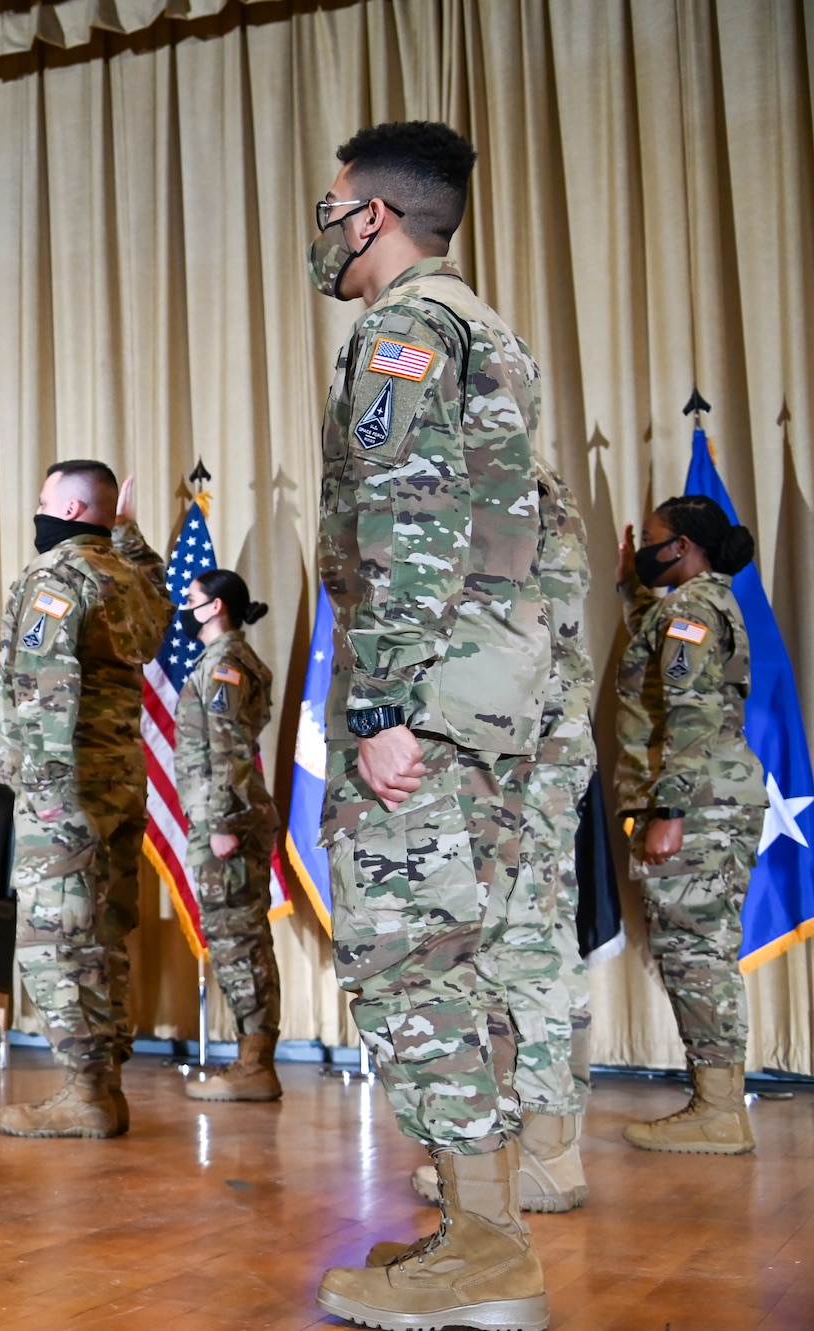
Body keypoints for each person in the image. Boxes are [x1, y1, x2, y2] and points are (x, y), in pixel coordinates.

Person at [307, 121, 552, 1331]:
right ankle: (478, 1229)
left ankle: (494, 1257)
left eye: (332, 204)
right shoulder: (483, 327)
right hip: (491, 696)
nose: (325, 225)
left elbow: (409, 522)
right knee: (457, 961)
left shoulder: (403, 328)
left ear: (376, 216)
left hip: (432, 697)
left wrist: (386, 702)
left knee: (406, 961)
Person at [406, 458, 597, 1213]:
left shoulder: (496, 473)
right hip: (535, 730)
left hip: (516, 734)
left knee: (521, 941)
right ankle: (536, 1139)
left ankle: (547, 1153)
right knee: (532, 934)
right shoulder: (536, 479)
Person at [0, 462, 170, 1138]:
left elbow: (46, 683)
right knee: (101, 933)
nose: (38, 512)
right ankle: (104, 1086)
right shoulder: (127, 576)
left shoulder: (55, 576)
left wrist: (42, 783)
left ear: (68, 505)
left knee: (52, 938)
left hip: (63, 788)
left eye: (43, 501)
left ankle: (83, 1089)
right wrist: (128, 533)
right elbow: (158, 613)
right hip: (121, 778)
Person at [613, 493, 767, 1153]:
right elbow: (661, 670)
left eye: (652, 539)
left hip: (697, 803)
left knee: (696, 952)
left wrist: (670, 809)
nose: (646, 547)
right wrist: (630, 586)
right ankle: (714, 1101)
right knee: (693, 949)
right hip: (713, 796)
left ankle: (719, 1111)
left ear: (681, 546)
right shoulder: (689, 606)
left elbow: (693, 711)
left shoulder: (691, 611)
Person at [172, 569, 283, 1103]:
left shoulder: (225, 664)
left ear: (215, 607)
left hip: (228, 820)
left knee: (238, 941)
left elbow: (230, 748)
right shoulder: (225, 660)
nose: (181, 606)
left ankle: (254, 1064)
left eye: (189, 599)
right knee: (239, 938)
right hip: (229, 817)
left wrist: (219, 823)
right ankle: (253, 1058)